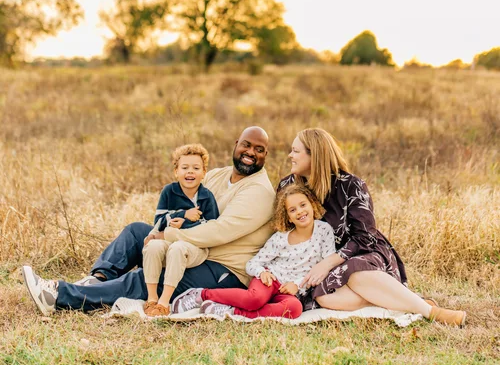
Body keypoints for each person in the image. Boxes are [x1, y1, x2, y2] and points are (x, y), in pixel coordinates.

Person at [22, 126, 275, 315]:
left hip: (222, 269)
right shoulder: (218, 176)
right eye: (246, 145)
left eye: (258, 149)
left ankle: (58, 296)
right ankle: (97, 281)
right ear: (236, 144)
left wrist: (168, 236)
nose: (250, 153)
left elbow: (218, 232)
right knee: (136, 233)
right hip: (191, 248)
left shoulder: (259, 192)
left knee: (146, 278)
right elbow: (181, 206)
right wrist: (160, 230)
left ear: (266, 155)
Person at [278, 128, 466, 326]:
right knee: (323, 297)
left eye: (295, 151)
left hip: (362, 255)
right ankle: (404, 300)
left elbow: (365, 237)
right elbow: (281, 230)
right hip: (318, 266)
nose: (290, 155)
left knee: (353, 271)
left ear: (315, 155)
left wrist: (328, 263)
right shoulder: (287, 187)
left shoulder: (351, 185)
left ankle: (432, 312)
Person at [183, 184, 335, 320]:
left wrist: (297, 284)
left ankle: (231, 311)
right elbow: (253, 263)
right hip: (270, 281)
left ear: (312, 204)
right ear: (288, 217)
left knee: (295, 308)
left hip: (290, 291)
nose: (300, 212)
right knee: (254, 300)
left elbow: (326, 267)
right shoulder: (280, 238)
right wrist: (262, 272)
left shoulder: (324, 231)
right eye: (292, 210)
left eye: (303, 205)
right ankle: (201, 295)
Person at [142, 143, 219, 317]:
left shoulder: (207, 196)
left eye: (196, 168)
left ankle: (164, 302)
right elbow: (159, 221)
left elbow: (212, 228)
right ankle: (152, 298)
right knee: (153, 246)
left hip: (195, 247)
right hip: (168, 241)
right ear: (176, 171)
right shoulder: (169, 191)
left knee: (177, 248)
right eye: (185, 168)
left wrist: (184, 224)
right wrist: (183, 214)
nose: (190, 172)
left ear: (204, 172)